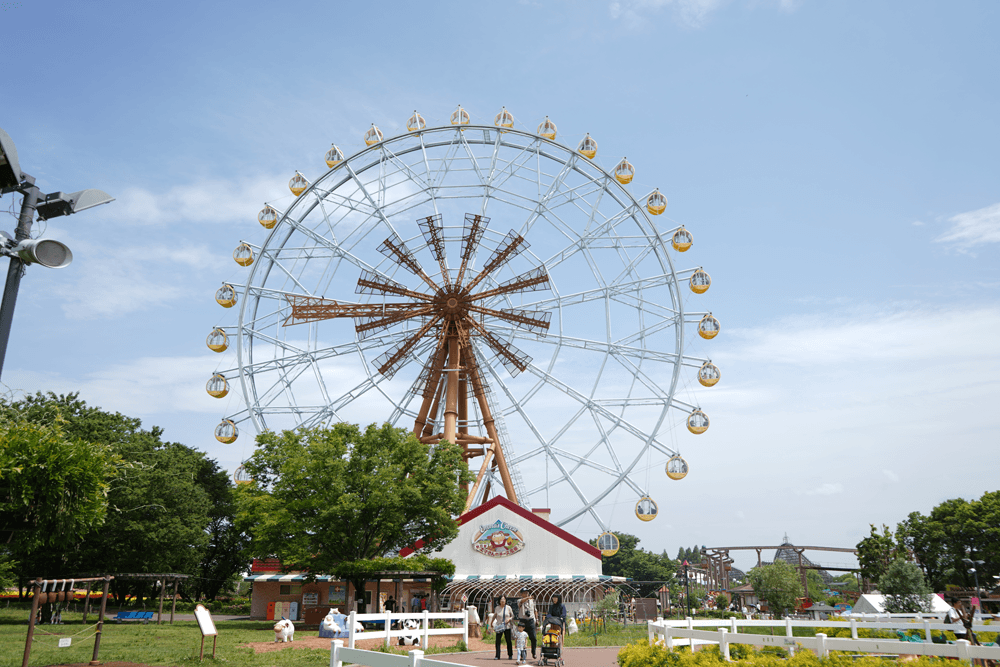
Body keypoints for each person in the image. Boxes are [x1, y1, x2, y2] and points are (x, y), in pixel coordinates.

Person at [518, 587, 538, 659]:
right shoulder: (520, 600)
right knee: (522, 638)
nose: (526, 594)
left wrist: (537, 619)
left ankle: (534, 652)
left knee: (533, 638)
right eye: (524, 593)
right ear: (521, 594)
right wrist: (528, 598)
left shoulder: (532, 601)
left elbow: (535, 610)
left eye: (527, 592)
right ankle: (523, 655)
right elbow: (521, 602)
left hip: (531, 621)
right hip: (523, 621)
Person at [494, 595, 514, 660]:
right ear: (499, 601)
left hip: (507, 626)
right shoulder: (497, 608)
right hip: (499, 626)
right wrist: (491, 623)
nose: (503, 600)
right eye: (501, 599)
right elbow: (495, 615)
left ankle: (510, 655)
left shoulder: (508, 607)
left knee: (508, 641)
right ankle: (497, 655)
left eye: (504, 599)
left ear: (505, 600)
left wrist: (509, 619)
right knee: (497, 641)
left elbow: (513, 616)